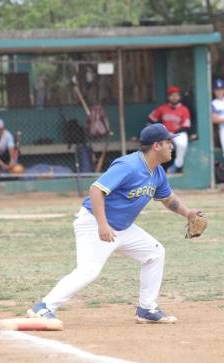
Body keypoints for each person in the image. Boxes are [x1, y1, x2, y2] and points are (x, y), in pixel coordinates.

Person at [27, 123, 204, 324]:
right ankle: (44, 306)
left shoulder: (157, 172)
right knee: (88, 271)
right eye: (168, 142)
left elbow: (168, 199)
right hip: (94, 222)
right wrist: (102, 225)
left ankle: (147, 309)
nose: (171, 146)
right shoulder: (129, 166)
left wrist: (187, 213)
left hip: (122, 227)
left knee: (155, 253)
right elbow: (96, 190)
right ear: (156, 146)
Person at [148, 86, 191, 174]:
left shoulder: (184, 109)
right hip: (165, 133)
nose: (174, 97)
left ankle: (177, 165)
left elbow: (186, 126)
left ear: (179, 97)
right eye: (172, 95)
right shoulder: (162, 108)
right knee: (156, 146)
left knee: (182, 144)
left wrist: (175, 132)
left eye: (176, 95)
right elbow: (150, 119)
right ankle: (155, 168)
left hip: (179, 132)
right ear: (168, 97)